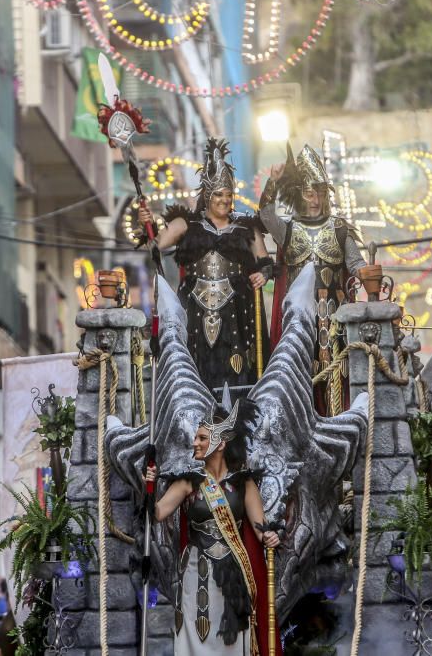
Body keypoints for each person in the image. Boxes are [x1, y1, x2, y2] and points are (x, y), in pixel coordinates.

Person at [143, 395, 281, 655]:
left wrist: (271, 537)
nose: (195, 443)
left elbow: (261, 529)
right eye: (197, 438)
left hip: (235, 575)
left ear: (220, 442)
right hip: (197, 574)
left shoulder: (243, 483)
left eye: (202, 438)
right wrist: (148, 486)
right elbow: (158, 513)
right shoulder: (188, 482)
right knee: (197, 637)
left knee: (230, 639)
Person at [138, 138, 273, 392]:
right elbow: (155, 245)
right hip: (195, 308)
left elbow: (265, 262)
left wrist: (263, 275)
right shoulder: (185, 224)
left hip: (238, 309)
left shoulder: (246, 226)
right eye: (218, 195)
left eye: (228, 195)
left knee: (239, 370)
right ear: (207, 195)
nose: (224, 200)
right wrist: (145, 223)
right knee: (194, 368)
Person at [259, 143, 366, 409]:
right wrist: (271, 184)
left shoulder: (340, 229)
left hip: (334, 316)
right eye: (309, 193)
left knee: (337, 373)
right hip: (298, 317)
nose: (316, 199)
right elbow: (265, 215)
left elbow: (357, 266)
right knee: (298, 372)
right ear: (299, 195)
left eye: (319, 192)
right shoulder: (288, 230)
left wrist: (368, 274)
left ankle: (337, 422)